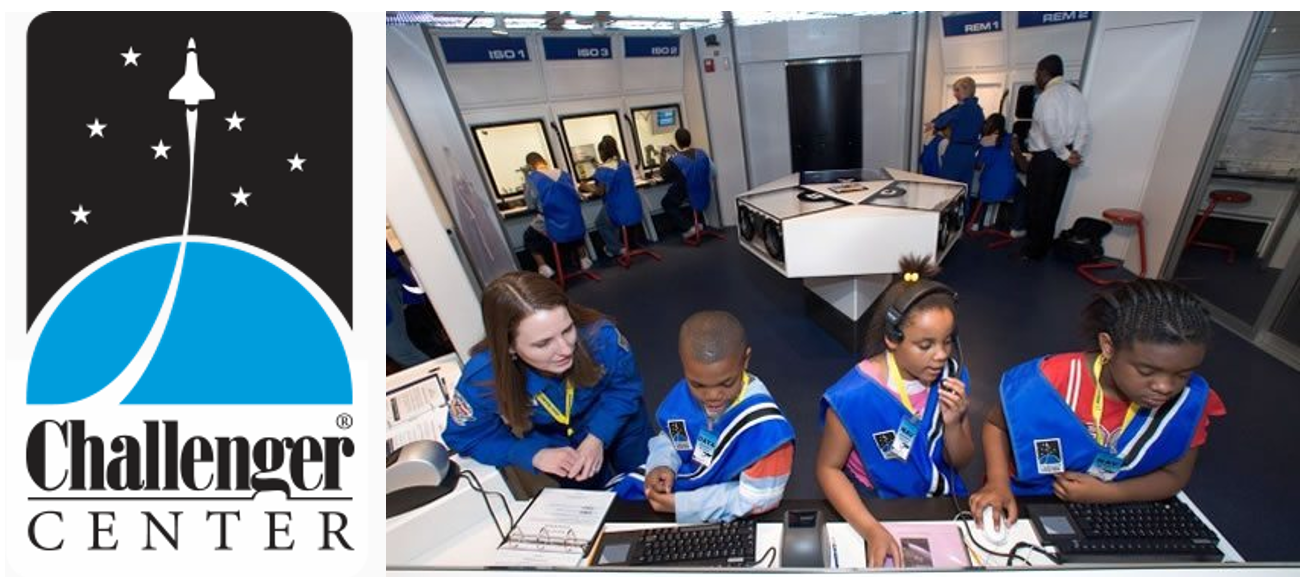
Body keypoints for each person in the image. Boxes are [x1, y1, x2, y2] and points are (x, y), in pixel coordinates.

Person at [969, 279, 1225, 531]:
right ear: (1108, 346)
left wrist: (1108, 493)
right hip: (1029, 499)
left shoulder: (1190, 404)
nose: (1165, 387)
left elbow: (1175, 476)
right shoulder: (1046, 382)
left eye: (1182, 375)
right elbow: (996, 425)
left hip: (1116, 504)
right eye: (1147, 371)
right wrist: (997, 482)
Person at [816, 256, 974, 568]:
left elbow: (962, 461)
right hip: (877, 503)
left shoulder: (952, 375)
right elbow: (828, 469)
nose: (941, 355)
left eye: (947, 341)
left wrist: (954, 424)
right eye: (925, 345)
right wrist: (870, 529)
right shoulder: (853, 396)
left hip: (935, 498)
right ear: (891, 339)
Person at [443, 272, 652, 488]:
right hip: (558, 446)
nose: (565, 349)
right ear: (509, 347)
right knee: (593, 506)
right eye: (543, 344)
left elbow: (624, 388)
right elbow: (468, 436)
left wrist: (598, 436)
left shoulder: (600, 337)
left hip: (618, 422)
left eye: (567, 330)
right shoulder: (484, 378)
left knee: (646, 483)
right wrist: (534, 455)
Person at [610, 311, 796, 523]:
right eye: (698, 384)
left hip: (733, 518)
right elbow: (676, 438)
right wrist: (663, 464)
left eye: (726, 383)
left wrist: (684, 505)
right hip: (689, 487)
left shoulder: (768, 431)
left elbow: (759, 498)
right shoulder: (685, 396)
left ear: (745, 360)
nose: (712, 396)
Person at [1021, 54, 1090, 260]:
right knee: (1053, 205)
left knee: (1037, 205)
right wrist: (1075, 151)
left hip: (1047, 157)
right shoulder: (1076, 94)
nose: (1035, 77)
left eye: (1036, 73)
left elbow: (1050, 130)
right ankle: (1043, 247)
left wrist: (1064, 154)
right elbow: (1084, 126)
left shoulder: (1047, 96)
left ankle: (1033, 251)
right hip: (1063, 157)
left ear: (1043, 72)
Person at [522, 152, 592, 278]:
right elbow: (575, 194)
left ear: (530, 166)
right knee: (572, 225)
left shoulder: (532, 179)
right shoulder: (564, 174)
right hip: (574, 221)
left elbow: (531, 205)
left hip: (555, 225)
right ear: (544, 161)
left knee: (529, 235)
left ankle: (543, 267)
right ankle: (583, 258)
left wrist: (526, 176)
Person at [579, 136, 644, 259]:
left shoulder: (603, 170)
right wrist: (597, 166)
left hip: (618, 208)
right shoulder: (624, 164)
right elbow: (612, 173)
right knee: (607, 218)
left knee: (600, 222)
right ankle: (618, 246)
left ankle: (617, 248)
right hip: (634, 206)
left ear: (602, 153)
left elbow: (600, 192)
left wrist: (585, 187)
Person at [926, 77, 985, 191]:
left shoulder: (963, 108)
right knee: (964, 189)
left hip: (956, 152)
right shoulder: (979, 110)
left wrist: (935, 124)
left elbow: (949, 115)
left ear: (966, 89)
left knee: (947, 188)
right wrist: (935, 122)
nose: (954, 94)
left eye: (957, 90)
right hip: (970, 154)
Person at [973, 113, 1025, 232]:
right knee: (1023, 193)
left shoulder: (984, 142)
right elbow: (1021, 161)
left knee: (984, 187)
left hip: (987, 189)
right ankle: (1016, 228)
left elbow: (978, 166)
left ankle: (977, 223)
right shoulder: (1011, 138)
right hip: (1007, 186)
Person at [660, 128, 715, 240]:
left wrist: (662, 156)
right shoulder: (702, 153)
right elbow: (713, 171)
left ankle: (688, 227)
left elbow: (663, 175)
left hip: (688, 192)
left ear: (677, 142)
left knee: (667, 203)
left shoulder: (675, 160)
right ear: (690, 139)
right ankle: (696, 224)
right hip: (703, 190)